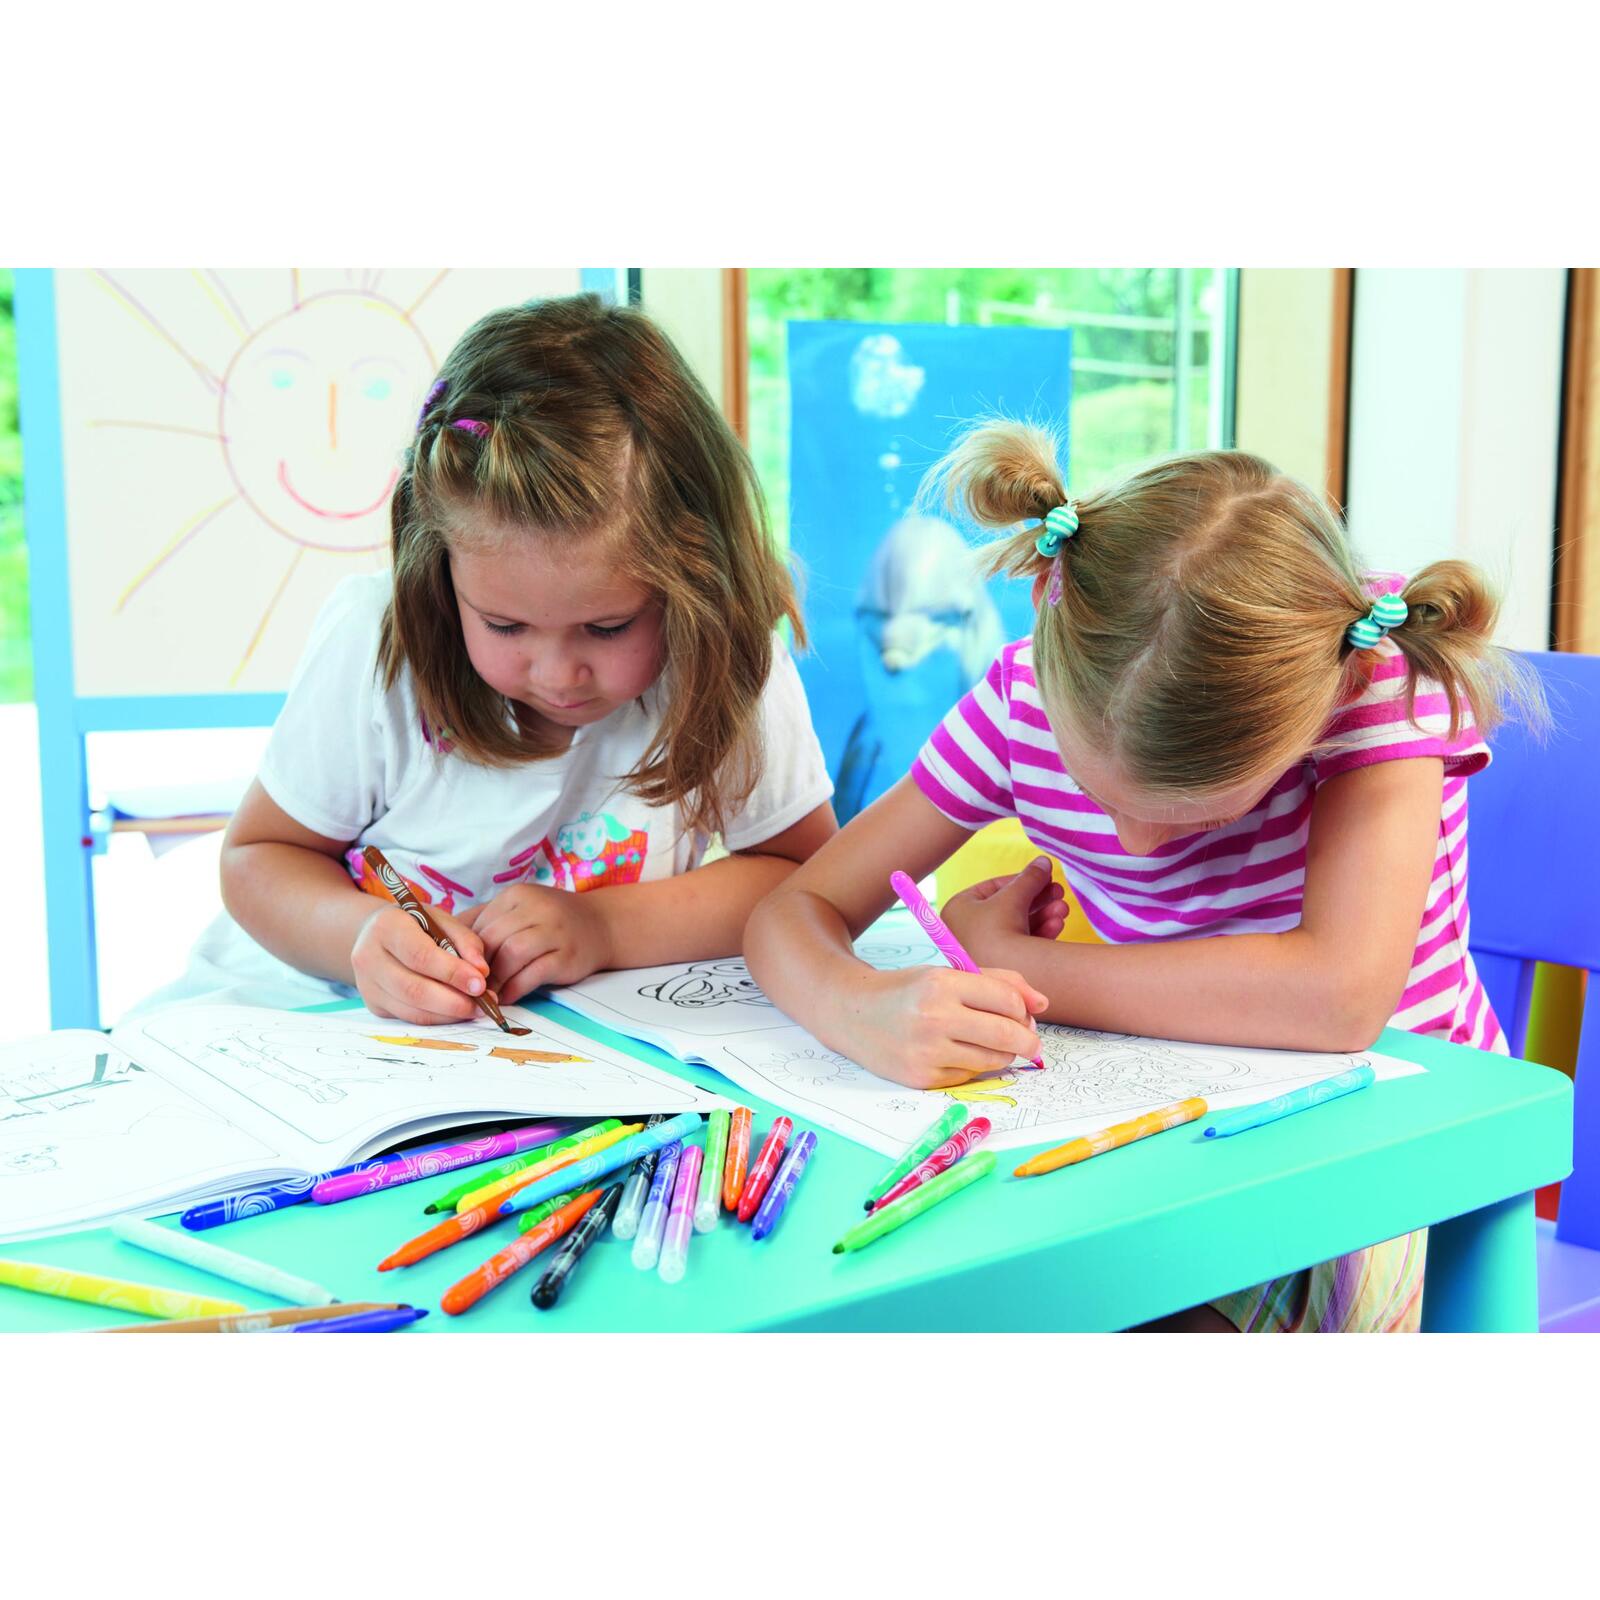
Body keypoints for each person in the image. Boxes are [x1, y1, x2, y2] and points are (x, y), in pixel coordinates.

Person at [746, 420, 1541, 1332]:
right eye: (1098, 793)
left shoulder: (1371, 682)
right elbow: (794, 907)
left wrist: (1021, 964)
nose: (1136, 845)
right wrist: (856, 1008)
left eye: (1202, 814)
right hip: (1185, 1124)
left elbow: (1339, 1000)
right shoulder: (1023, 703)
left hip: (1402, 1137)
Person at [147, 294, 835, 1021]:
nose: (557, 674)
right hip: (294, 1015)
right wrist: (359, 934)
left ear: (695, 577)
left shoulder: (726, 652)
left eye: (606, 627)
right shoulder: (375, 639)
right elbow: (257, 859)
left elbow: (806, 877)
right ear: (440, 570)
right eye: (505, 625)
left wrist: (605, 927)